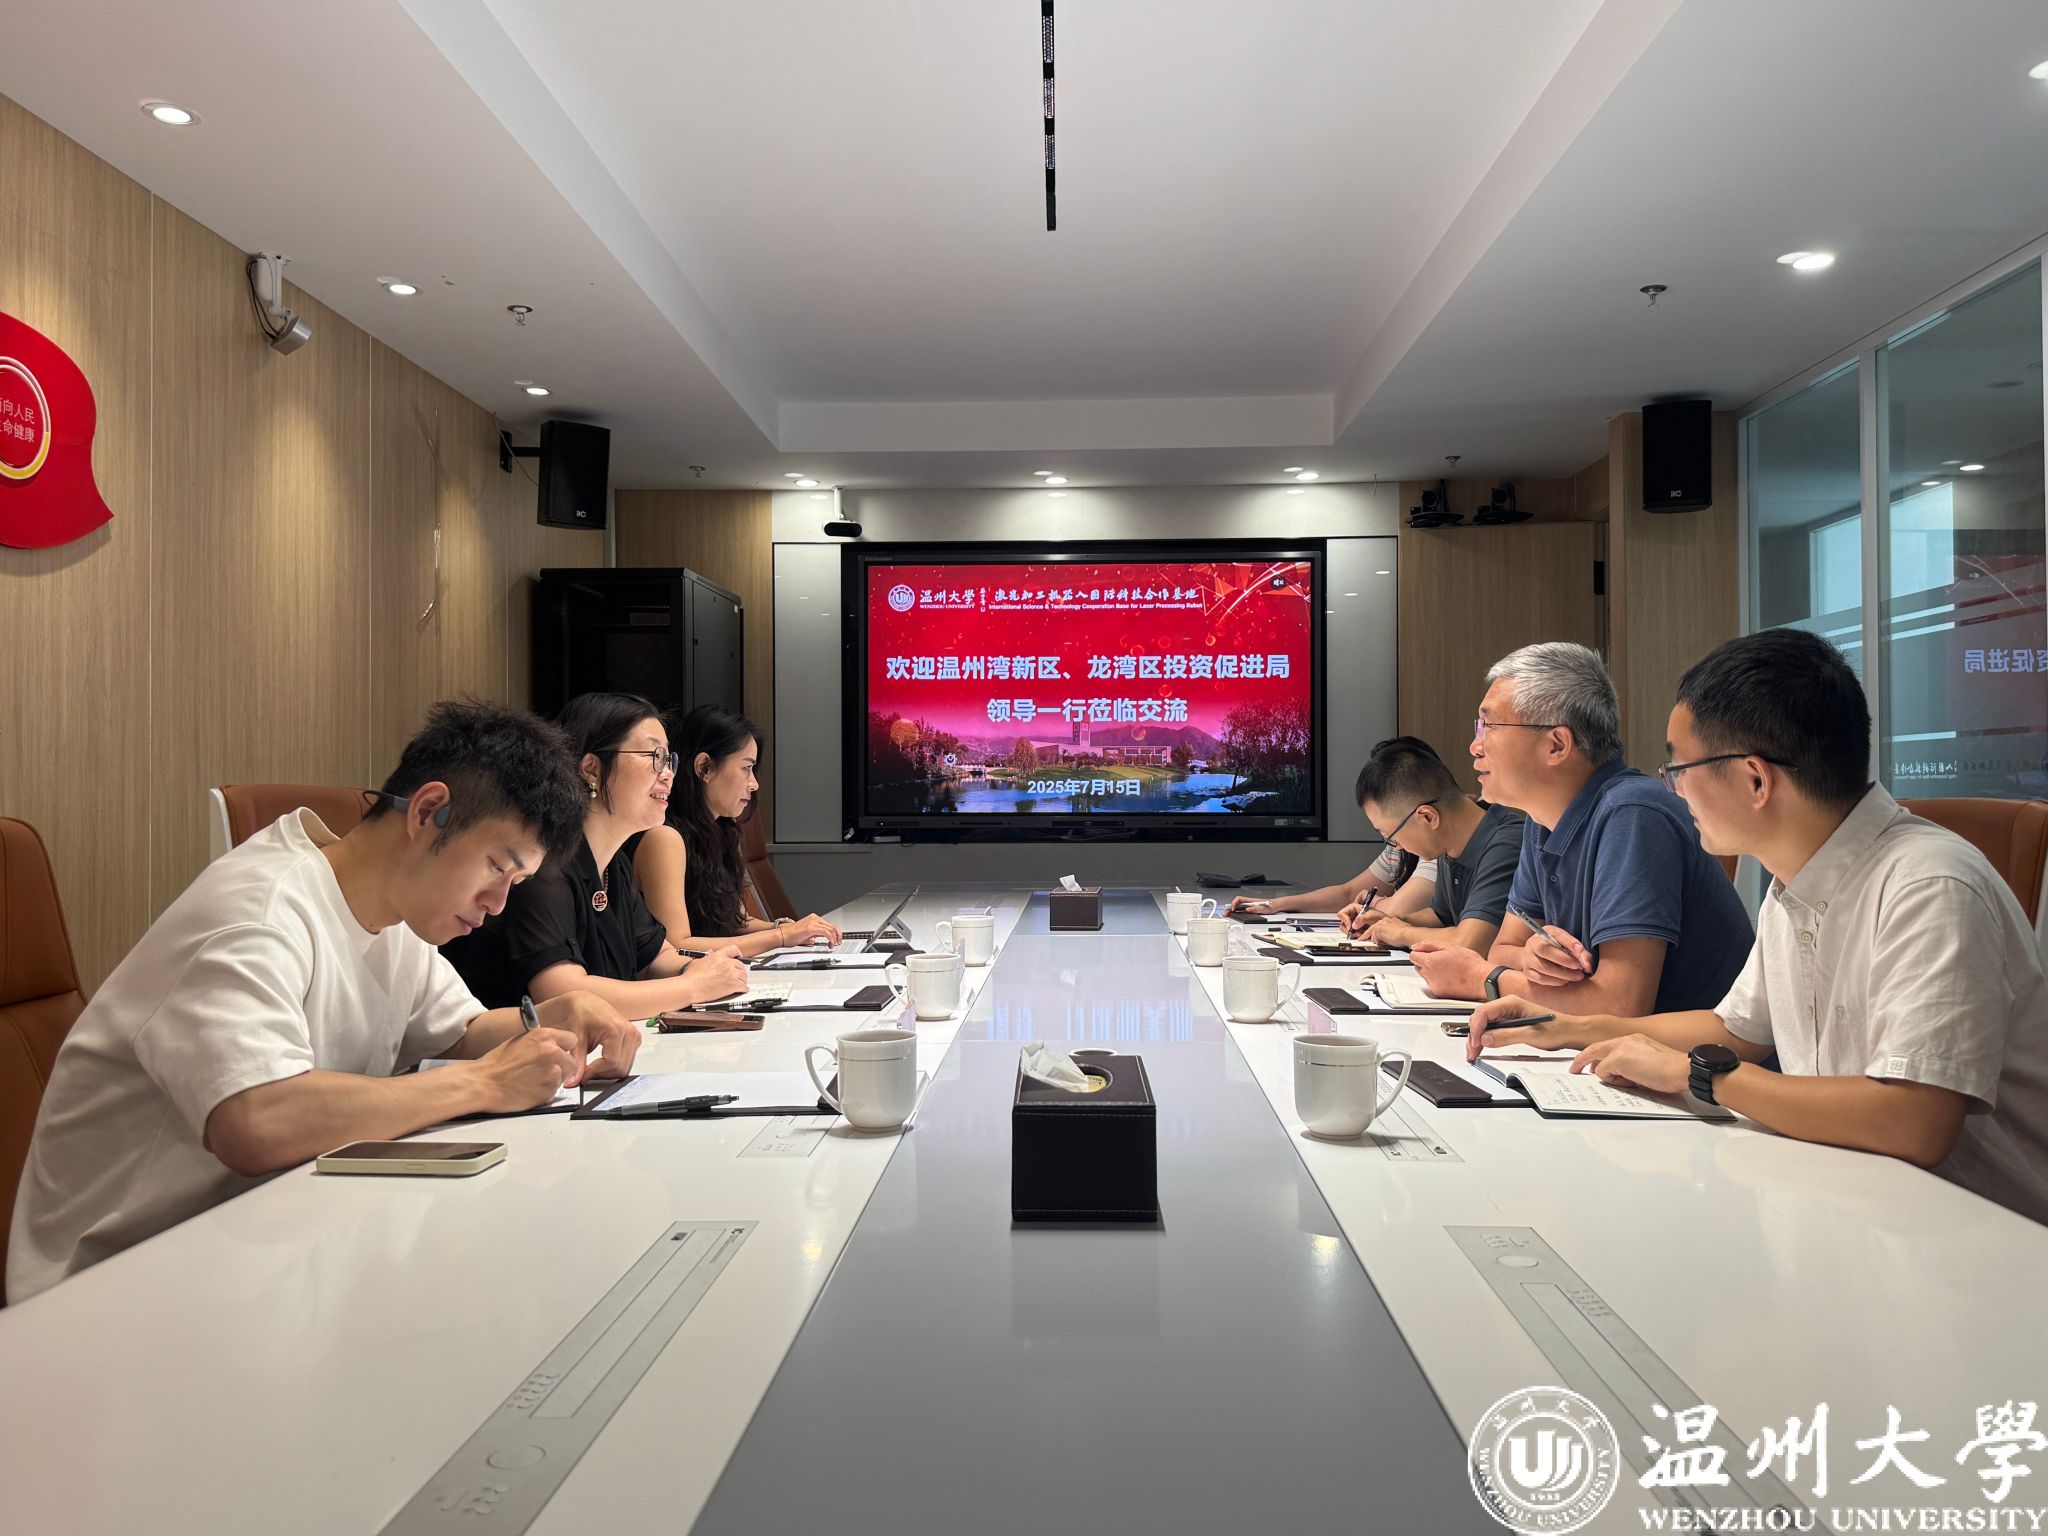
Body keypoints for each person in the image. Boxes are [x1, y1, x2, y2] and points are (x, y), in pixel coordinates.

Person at [9, 701, 639, 1303]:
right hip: (117, 1284)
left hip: (262, 1240)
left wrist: (554, 1016)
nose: (498, 904)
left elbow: (459, 1030)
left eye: (516, 883)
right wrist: (483, 1083)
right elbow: (256, 1122)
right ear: (429, 812)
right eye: (497, 868)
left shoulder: (393, 916)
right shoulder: (257, 913)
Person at [1467, 628, 2048, 1223]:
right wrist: (1572, 1027)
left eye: (1679, 767)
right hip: (1851, 1199)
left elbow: (1914, 1121)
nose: (1674, 788)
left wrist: (1701, 1077)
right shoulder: (1794, 881)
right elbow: (1736, 1028)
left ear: (1754, 779)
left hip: (1981, 1232)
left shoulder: (1929, 884)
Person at [1412, 641, 1752, 1012]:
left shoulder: (1633, 814)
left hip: (1693, 1048)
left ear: (1557, 745)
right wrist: (1532, 957)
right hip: (1603, 1045)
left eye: (1489, 726)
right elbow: (1504, 948)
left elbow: (1620, 1004)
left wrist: (1481, 980)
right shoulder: (1542, 820)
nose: (1475, 746)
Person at [441, 693, 750, 1013]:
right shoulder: (544, 863)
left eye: (669, 759)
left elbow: (656, 956)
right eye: (654, 756)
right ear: (591, 768)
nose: (669, 773)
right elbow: (561, 991)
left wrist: (700, 969)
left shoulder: (614, 864)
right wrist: (693, 986)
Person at [633, 705, 843, 958]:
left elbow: (734, 921)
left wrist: (789, 928)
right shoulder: (664, 838)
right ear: (704, 767)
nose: (754, 784)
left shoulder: (720, 831)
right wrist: (780, 937)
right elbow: (678, 945)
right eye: (746, 768)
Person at [1227, 736, 1441, 931]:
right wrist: (1276, 904)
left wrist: (1374, 902)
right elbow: (1349, 892)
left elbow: (1398, 909)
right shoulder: (1400, 846)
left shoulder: (1435, 844)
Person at [1350, 738, 1525, 956]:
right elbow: (1441, 917)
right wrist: (1387, 922)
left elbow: (1471, 942)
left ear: (1428, 817)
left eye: (1392, 837)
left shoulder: (1507, 843)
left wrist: (1401, 932)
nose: (1398, 847)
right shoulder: (1448, 844)